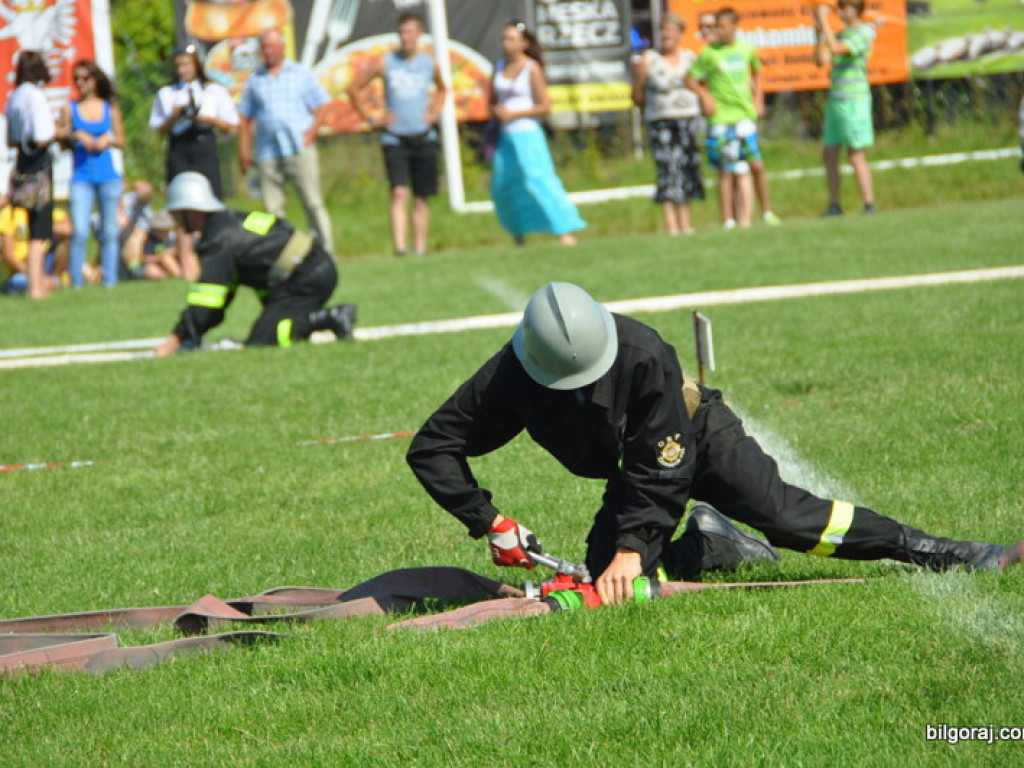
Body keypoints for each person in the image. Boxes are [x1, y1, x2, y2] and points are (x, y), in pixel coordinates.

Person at [406, 282, 1024, 606]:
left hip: (692, 435)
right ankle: (711, 547)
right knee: (606, 582)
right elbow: (432, 446)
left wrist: (631, 545)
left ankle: (953, 553)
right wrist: (489, 521)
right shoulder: (510, 375)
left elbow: (662, 469)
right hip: (639, 466)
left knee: (792, 519)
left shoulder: (644, 352)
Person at [153, 172, 357, 357]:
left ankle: (329, 317)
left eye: (176, 213)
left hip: (306, 276)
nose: (175, 220)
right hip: (311, 267)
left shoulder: (217, 241)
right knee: (266, 332)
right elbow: (223, 295)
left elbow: (207, 303)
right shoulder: (228, 222)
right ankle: (311, 319)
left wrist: (176, 339)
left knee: (266, 340)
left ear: (192, 211)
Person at [347, 11, 448, 257]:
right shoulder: (386, 61)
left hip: (423, 135)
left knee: (422, 195)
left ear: (420, 35)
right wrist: (372, 117)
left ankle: (420, 247)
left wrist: (434, 112)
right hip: (394, 136)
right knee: (399, 191)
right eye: (402, 32)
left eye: (411, 32)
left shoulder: (428, 63)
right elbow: (354, 87)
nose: (406, 37)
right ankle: (400, 247)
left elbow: (444, 89)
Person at [489, 21, 586, 247]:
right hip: (506, 136)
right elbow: (492, 102)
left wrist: (515, 114)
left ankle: (564, 229)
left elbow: (544, 106)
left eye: (512, 39)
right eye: (504, 38)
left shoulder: (532, 68)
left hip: (527, 133)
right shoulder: (499, 67)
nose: (506, 43)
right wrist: (498, 112)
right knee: (504, 184)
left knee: (538, 180)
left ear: (523, 43)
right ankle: (517, 232)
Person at [238, 27, 334, 253]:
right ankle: (279, 251)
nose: (267, 51)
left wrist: (311, 133)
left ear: (282, 47)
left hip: (298, 147)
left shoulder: (300, 74)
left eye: (271, 46)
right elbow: (244, 118)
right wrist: (244, 150)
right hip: (267, 151)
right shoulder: (255, 80)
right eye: (264, 47)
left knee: (312, 202)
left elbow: (322, 105)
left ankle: (324, 250)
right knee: (272, 208)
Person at [149, 44, 239, 279]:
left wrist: (207, 119)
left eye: (186, 64)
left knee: (210, 203)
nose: (182, 70)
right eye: (178, 65)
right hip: (180, 148)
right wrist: (173, 116)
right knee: (181, 209)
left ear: (196, 65)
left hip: (203, 146)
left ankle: (214, 262)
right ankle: (188, 269)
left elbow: (231, 125)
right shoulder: (167, 94)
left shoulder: (214, 91)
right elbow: (158, 128)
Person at [687, 8, 780, 229]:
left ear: (733, 27)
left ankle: (767, 212)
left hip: (744, 115)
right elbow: (690, 78)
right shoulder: (710, 53)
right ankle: (728, 219)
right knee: (727, 169)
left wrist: (758, 99)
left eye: (722, 26)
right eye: (716, 27)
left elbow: (757, 72)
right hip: (722, 118)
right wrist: (705, 97)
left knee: (756, 165)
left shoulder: (746, 49)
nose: (719, 31)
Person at [632, 13, 704, 236]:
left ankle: (686, 222)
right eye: (663, 30)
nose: (666, 35)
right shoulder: (649, 59)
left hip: (687, 117)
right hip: (661, 120)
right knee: (667, 169)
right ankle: (671, 225)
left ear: (681, 34)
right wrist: (641, 77)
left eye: (672, 30)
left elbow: (702, 87)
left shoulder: (691, 58)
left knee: (686, 166)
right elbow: (637, 98)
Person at [59, 59, 125, 289]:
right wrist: (76, 136)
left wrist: (109, 139)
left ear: (95, 80)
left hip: (108, 176)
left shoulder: (109, 107)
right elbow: (60, 136)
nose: (80, 82)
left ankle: (110, 280)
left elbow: (122, 139)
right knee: (79, 230)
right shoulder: (70, 107)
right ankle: (76, 281)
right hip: (81, 176)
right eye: (76, 78)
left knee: (109, 231)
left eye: (85, 78)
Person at [814, 1, 877, 216]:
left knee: (855, 152)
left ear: (855, 9)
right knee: (829, 153)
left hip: (854, 101)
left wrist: (824, 20)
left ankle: (869, 203)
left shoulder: (864, 32)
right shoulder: (840, 34)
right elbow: (821, 60)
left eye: (844, 7)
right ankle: (834, 205)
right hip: (836, 100)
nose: (840, 12)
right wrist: (818, 35)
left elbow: (836, 50)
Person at [5, 50, 56, 300]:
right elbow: (43, 135)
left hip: (22, 167)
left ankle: (36, 285)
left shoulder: (13, 96)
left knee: (32, 224)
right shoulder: (35, 96)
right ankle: (36, 287)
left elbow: (11, 139)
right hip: (40, 169)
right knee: (40, 231)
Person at [0, 197, 69, 294]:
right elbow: (8, 256)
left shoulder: (45, 210)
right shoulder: (9, 213)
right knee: (19, 282)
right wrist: (34, 274)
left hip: (45, 261)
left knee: (65, 240)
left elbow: (68, 229)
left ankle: (53, 279)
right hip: (20, 269)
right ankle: (53, 282)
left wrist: (44, 227)